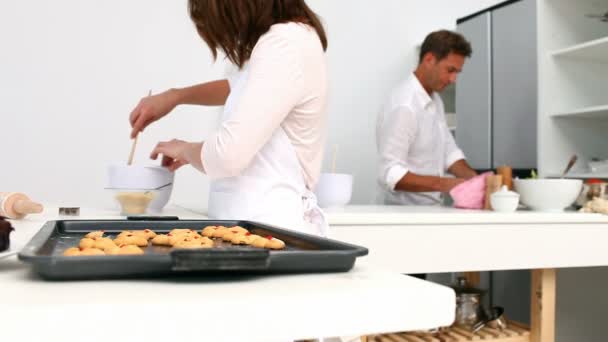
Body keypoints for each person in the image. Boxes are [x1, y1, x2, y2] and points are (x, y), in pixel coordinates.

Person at [129, 0, 329, 236]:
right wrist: (175, 97)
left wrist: (185, 150)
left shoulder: (284, 44)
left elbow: (226, 156)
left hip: (271, 232)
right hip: (250, 229)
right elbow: (240, 87)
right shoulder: (285, 40)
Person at [376, 30, 477, 206]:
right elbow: (390, 173)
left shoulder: (435, 100)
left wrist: (478, 181)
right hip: (402, 216)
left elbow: (449, 153)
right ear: (429, 59)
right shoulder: (405, 105)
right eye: (450, 70)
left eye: (457, 73)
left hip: (428, 211)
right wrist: (447, 184)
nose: (453, 79)